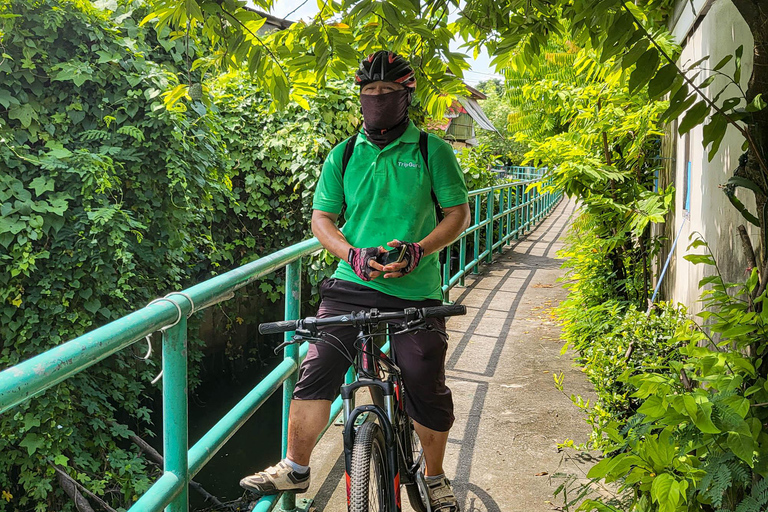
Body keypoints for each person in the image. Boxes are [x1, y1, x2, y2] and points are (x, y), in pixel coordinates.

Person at [240, 50, 470, 512]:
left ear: (407, 96)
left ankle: (435, 476)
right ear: (360, 97)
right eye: (369, 92)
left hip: (415, 285)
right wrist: (352, 253)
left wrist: (418, 249)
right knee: (317, 365)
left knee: (424, 375)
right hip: (353, 279)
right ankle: (296, 468)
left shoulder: (433, 150)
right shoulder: (342, 154)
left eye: (387, 92)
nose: (377, 100)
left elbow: (458, 213)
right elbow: (322, 218)